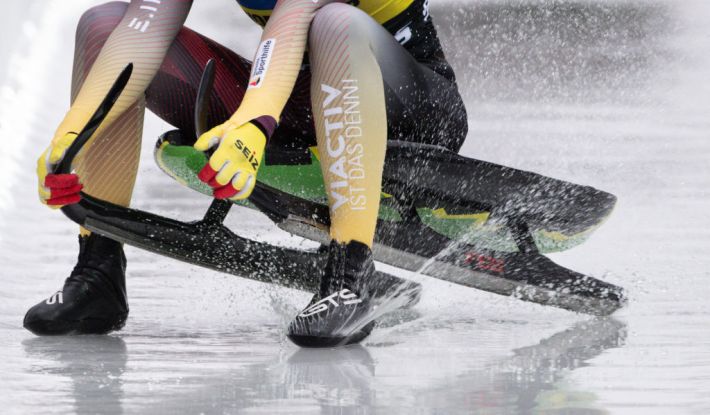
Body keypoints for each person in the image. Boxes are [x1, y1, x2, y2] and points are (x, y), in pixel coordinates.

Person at [24, 0, 467, 345]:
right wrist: (74, 130)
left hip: (412, 108)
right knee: (104, 25)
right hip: (303, 93)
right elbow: (145, 26)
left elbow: (291, 22)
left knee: (335, 21)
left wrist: (253, 126)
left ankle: (350, 272)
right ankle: (98, 269)